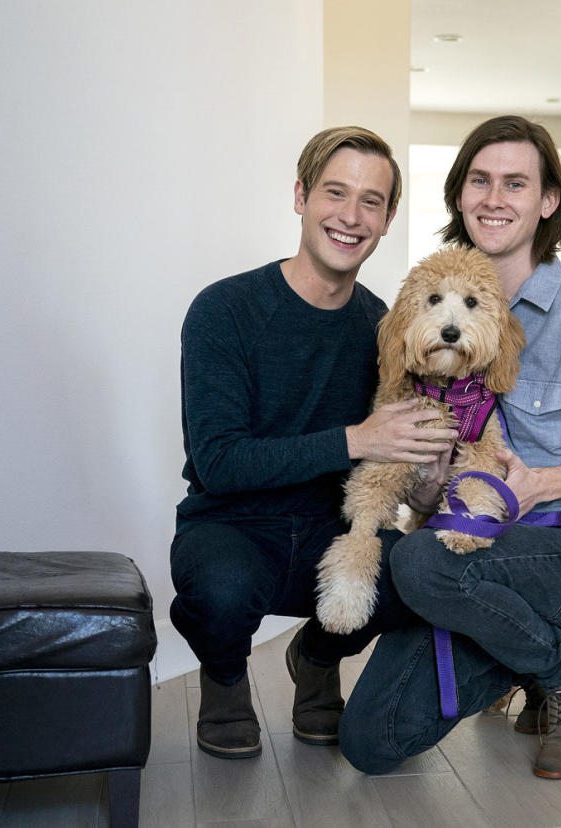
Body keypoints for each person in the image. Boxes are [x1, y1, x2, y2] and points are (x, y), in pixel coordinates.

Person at [338, 115, 561, 779]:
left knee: (419, 563)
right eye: (480, 180)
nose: (494, 198)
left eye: (516, 183)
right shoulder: (435, 310)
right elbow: (425, 477)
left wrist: (545, 485)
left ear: (546, 201)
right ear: (459, 194)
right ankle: (520, 655)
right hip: (471, 559)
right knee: (371, 741)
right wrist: (423, 479)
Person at [170, 126, 458, 760]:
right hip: (232, 525)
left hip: (335, 530)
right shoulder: (224, 310)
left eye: (372, 202)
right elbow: (218, 463)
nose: (351, 217)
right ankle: (222, 679)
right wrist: (357, 438)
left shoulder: (389, 327)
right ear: (301, 196)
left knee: (417, 572)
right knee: (218, 591)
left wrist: (432, 476)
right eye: (335, 192)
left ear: (386, 222)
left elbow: (394, 456)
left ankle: (318, 655)